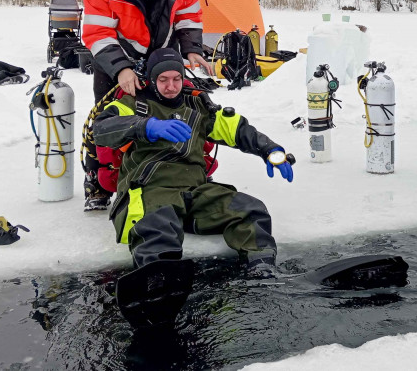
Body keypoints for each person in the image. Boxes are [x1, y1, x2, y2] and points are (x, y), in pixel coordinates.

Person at [93, 48, 293, 281]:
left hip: (195, 191)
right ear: (151, 79)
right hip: (152, 190)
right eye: (163, 80)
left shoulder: (198, 107)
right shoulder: (133, 104)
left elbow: (236, 129)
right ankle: (160, 281)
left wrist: (269, 149)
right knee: (157, 225)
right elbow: (101, 128)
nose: (171, 86)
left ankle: (261, 269)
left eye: (177, 79)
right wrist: (145, 126)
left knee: (250, 210)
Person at [82, 0, 213, 211]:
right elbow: (98, 32)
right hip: (114, 54)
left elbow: (189, 16)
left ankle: (176, 170)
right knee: (107, 117)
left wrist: (191, 48)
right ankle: (97, 182)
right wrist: (121, 69)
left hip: (162, 54)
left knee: (173, 110)